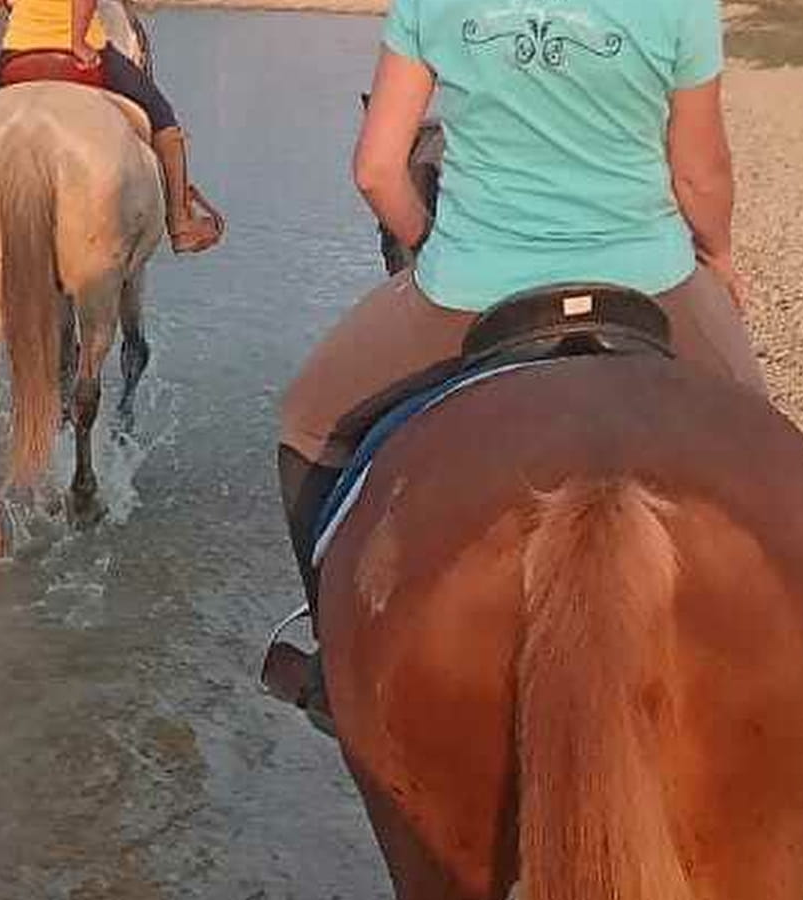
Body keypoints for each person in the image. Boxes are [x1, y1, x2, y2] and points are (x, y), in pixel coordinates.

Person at [276, 0, 768, 716]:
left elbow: (378, 170)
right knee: (765, 438)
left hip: (472, 288)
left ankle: (331, 660)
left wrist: (425, 246)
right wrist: (718, 256)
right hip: (651, 280)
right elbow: (699, 175)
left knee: (308, 425)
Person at [0, 0, 224, 253]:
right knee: (164, 119)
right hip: (78, 46)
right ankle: (180, 223)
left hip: (19, 48)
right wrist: (77, 42)